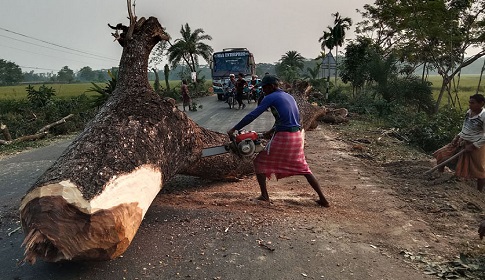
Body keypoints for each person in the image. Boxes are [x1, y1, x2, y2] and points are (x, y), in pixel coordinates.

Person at [226, 75, 330, 207]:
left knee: (259, 162)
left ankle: (264, 196)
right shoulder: (288, 96)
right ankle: (323, 199)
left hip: (285, 137)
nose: (263, 91)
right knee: (304, 169)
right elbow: (290, 118)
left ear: (272, 86)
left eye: (265, 88)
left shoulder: (271, 97)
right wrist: (271, 131)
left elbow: (253, 115)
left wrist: (235, 128)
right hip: (297, 136)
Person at [432, 93, 485, 191]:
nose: (470, 105)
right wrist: (457, 136)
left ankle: (479, 192)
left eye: (472, 103)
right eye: (469, 102)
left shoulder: (484, 116)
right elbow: (465, 127)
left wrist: (474, 146)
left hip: (476, 145)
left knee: (479, 170)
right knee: (442, 154)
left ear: (481, 104)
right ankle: (439, 175)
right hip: (462, 140)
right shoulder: (469, 112)